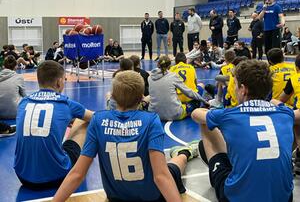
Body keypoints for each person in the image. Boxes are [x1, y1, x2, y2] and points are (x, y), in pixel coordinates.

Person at [53, 70, 199, 202]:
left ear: (113, 96)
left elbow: (77, 173)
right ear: (142, 97)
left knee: (167, 168)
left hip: (116, 197)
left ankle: (183, 153)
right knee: (173, 166)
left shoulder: (98, 120)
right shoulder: (151, 121)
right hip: (152, 197)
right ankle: (184, 152)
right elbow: (161, 176)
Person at [192, 60, 294, 202]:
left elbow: (195, 114)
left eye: (235, 85)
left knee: (205, 123)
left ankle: (219, 164)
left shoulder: (228, 115)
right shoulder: (286, 114)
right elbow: (277, 103)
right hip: (284, 197)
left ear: (243, 89)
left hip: (237, 197)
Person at [14, 60, 94, 189]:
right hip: (57, 177)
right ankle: (80, 170)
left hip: (23, 176)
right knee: (82, 121)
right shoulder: (66, 103)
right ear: (59, 82)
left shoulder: (23, 103)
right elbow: (96, 118)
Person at [148, 56, 206, 121]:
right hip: (175, 114)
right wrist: (204, 101)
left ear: (157, 64)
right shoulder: (173, 76)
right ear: (169, 66)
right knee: (195, 101)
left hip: (154, 114)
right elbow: (189, 92)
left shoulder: (150, 77)